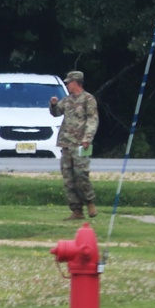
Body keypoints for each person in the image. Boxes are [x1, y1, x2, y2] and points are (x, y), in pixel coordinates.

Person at [49, 71, 99, 221]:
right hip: (66, 143)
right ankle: (76, 210)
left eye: (68, 83)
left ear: (75, 83)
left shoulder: (88, 99)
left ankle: (90, 202)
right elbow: (56, 112)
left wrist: (87, 138)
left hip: (80, 144)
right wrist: (52, 105)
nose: (67, 85)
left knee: (81, 175)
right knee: (68, 179)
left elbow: (92, 120)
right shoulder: (67, 100)